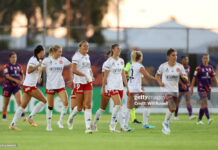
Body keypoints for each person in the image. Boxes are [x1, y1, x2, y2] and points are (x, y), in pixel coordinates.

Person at [9, 45, 46, 130]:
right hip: (30, 86)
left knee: (23, 106)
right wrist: (38, 65)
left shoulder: (39, 60)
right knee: (44, 100)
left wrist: (39, 76)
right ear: (39, 52)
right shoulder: (33, 59)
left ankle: (12, 124)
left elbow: (39, 70)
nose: (44, 53)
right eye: (43, 51)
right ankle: (30, 117)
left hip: (28, 85)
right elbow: (29, 70)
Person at [156, 48, 188, 135]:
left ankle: (165, 127)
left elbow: (185, 76)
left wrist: (184, 77)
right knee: (173, 108)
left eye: (176, 55)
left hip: (175, 90)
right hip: (165, 90)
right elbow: (157, 75)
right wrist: (160, 82)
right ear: (168, 56)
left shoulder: (179, 66)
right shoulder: (163, 66)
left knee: (172, 110)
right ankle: (165, 123)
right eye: (173, 55)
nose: (175, 57)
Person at [40, 45, 72, 131]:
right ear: (54, 52)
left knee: (66, 103)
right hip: (50, 85)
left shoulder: (62, 59)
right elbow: (41, 69)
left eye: (61, 51)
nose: (61, 53)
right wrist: (39, 76)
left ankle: (60, 121)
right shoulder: (47, 60)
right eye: (59, 51)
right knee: (50, 106)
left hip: (60, 85)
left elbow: (73, 65)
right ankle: (49, 125)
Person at [124, 50, 157, 129]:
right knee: (147, 103)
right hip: (136, 89)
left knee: (129, 107)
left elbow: (129, 75)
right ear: (140, 57)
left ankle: (125, 125)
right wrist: (156, 79)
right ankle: (145, 124)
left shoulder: (131, 65)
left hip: (130, 87)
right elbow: (147, 75)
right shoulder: (139, 66)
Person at [67, 41, 94, 134]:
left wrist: (90, 75)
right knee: (79, 107)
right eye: (84, 46)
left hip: (88, 82)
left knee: (88, 105)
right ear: (80, 47)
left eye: (87, 46)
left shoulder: (87, 56)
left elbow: (88, 68)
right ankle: (71, 117)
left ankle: (87, 128)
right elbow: (74, 70)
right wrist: (84, 75)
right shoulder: (76, 57)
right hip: (79, 82)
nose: (86, 47)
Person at [101, 44, 129, 132]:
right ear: (113, 50)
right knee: (118, 104)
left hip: (120, 86)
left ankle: (122, 126)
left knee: (118, 106)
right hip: (112, 86)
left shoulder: (121, 61)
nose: (119, 50)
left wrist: (127, 87)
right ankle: (112, 126)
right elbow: (105, 77)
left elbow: (123, 74)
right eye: (117, 49)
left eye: (119, 49)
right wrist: (103, 89)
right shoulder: (109, 62)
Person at [191, 54, 218, 125]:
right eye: (204, 58)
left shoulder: (211, 68)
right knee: (205, 102)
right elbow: (194, 78)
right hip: (201, 88)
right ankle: (209, 118)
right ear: (202, 59)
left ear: (208, 59)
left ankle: (199, 120)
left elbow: (214, 78)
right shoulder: (198, 68)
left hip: (208, 88)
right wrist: (191, 88)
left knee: (203, 104)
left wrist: (217, 85)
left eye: (207, 58)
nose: (205, 59)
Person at [2, 52, 25, 121]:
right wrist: (16, 80)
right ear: (10, 58)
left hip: (16, 86)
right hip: (7, 86)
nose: (14, 58)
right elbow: (7, 76)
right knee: (6, 103)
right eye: (12, 57)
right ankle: (4, 116)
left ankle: (23, 116)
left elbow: (23, 74)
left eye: (15, 57)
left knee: (20, 102)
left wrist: (22, 80)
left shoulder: (19, 66)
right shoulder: (6, 66)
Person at [174, 56, 196, 120]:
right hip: (179, 87)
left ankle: (190, 115)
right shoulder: (178, 67)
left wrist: (189, 86)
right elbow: (177, 77)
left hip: (186, 87)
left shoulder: (188, 67)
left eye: (187, 59)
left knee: (188, 101)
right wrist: (182, 84)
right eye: (185, 59)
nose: (186, 60)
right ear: (181, 60)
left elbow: (188, 77)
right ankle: (175, 116)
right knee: (177, 102)